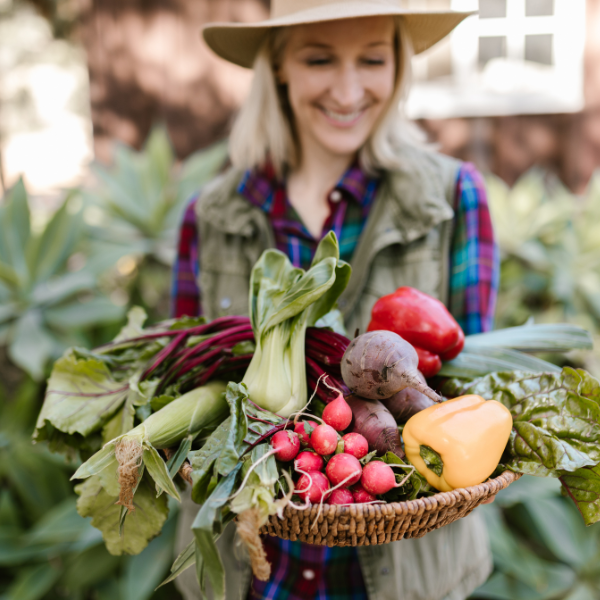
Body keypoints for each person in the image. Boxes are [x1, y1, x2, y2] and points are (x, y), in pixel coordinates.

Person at [171, 1, 499, 599]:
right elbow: (185, 377)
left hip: (407, 572)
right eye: (319, 58)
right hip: (254, 570)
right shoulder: (210, 215)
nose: (348, 90)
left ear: (398, 67)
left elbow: (469, 390)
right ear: (279, 69)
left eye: (372, 58)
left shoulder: (454, 197)